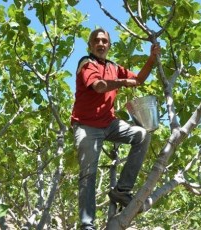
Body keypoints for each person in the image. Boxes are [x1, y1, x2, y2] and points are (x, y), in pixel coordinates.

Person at [71, 28, 161, 230]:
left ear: (109, 45)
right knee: (88, 173)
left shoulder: (113, 66)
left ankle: (122, 190)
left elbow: (138, 80)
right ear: (90, 45)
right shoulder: (87, 63)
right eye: (97, 40)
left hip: (109, 123)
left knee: (142, 135)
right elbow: (99, 86)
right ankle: (87, 224)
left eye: (104, 40)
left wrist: (152, 58)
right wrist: (122, 82)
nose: (101, 44)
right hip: (86, 127)